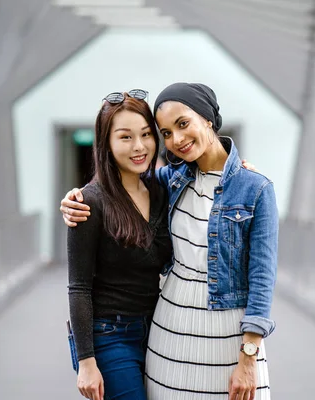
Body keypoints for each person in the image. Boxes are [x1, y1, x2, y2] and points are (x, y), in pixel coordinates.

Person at [62, 82, 278, 400]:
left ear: (208, 118)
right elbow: (79, 283)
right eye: (165, 132)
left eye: (181, 124)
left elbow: (262, 278)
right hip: (145, 331)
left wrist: (248, 355)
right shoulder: (156, 185)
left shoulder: (243, 187)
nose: (175, 140)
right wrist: (69, 200)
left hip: (200, 330)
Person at [66, 89, 173, 400]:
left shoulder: (161, 189)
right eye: (125, 137)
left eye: (145, 135)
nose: (139, 147)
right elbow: (78, 286)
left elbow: (209, 172)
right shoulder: (90, 202)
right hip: (110, 336)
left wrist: (241, 170)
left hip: (160, 330)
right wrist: (86, 361)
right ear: (106, 144)